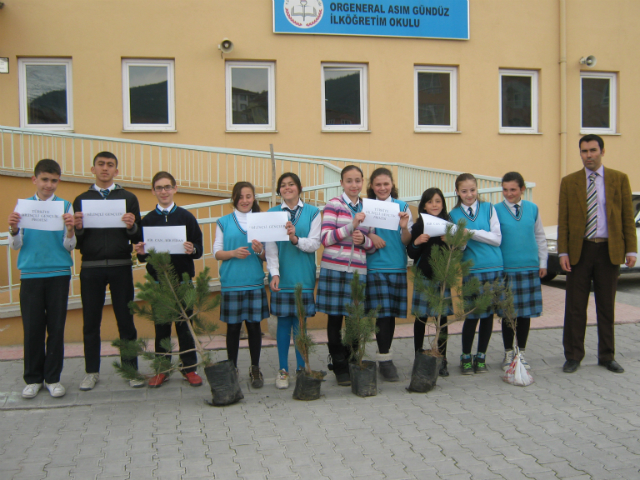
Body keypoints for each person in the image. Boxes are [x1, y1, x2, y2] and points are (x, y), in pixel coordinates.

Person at [558, 134, 637, 374]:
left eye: (593, 150)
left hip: (608, 250)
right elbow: (564, 220)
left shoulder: (619, 179)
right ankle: (573, 355)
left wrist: (631, 249)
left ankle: (607, 355)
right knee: (575, 307)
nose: (588, 155)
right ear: (580, 153)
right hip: (579, 251)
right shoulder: (569, 181)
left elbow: (626, 217)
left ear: (602, 151)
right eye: (584, 151)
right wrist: (563, 251)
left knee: (606, 306)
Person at [73, 151, 143, 390]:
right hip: (91, 268)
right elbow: (79, 242)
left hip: (121, 266)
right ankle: (91, 371)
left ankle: (131, 370)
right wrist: (79, 229)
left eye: (110, 165)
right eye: (101, 164)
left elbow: (138, 235)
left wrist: (132, 227)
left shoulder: (128, 198)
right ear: (93, 169)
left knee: (126, 320)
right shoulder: (81, 199)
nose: (105, 168)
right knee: (91, 322)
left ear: (116, 170)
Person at [8, 159, 75, 399]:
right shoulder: (23, 207)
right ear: (34, 179)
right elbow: (16, 245)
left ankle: (53, 378)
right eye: (45, 179)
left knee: (56, 329)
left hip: (58, 274)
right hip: (31, 275)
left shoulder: (65, 206)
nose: (49, 185)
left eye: (54, 180)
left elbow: (70, 246)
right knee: (33, 329)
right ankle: (33, 379)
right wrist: (14, 230)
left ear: (58, 181)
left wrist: (70, 231)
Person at [133, 171, 204, 388]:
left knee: (185, 327)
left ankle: (189, 368)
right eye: (159, 188)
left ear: (175, 189)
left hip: (183, 284)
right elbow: (143, 255)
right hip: (159, 285)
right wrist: (141, 251)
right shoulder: (148, 220)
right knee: (161, 328)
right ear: (153, 191)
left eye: (167, 187)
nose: (163, 191)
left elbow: (199, 249)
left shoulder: (186, 217)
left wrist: (192, 249)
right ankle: (162, 369)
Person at [316, 165, 376, 386]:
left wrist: (364, 241)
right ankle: (339, 366)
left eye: (358, 180)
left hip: (358, 271)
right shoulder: (334, 205)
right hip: (334, 268)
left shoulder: (368, 207)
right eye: (349, 181)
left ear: (363, 182)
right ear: (341, 183)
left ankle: (352, 360)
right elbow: (326, 238)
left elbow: (371, 244)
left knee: (354, 320)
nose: (354, 185)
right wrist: (352, 226)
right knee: (334, 319)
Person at [265, 173, 321, 389]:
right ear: (279, 190)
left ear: (299, 187)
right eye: (283, 186)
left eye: (291, 185)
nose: (287, 188)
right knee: (283, 323)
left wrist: (295, 239)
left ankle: (301, 367)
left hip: (303, 277)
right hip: (282, 276)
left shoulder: (313, 212)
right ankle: (282, 370)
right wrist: (274, 273)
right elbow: (270, 248)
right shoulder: (272, 214)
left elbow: (315, 244)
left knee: (300, 323)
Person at [214, 181, 268, 388]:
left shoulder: (261, 221)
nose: (244, 200)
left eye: (248, 196)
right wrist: (233, 253)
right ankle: (232, 368)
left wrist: (259, 250)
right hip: (231, 282)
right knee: (233, 329)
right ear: (234, 199)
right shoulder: (224, 222)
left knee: (254, 328)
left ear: (253, 198)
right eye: (240, 197)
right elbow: (216, 252)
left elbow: (266, 256)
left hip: (253, 281)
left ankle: (255, 368)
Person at [449, 173, 503, 375]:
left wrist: (471, 233)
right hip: (472, 271)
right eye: (464, 191)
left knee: (488, 316)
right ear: (457, 192)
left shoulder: (489, 208)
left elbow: (496, 238)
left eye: (472, 190)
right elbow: (458, 247)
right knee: (472, 316)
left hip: (494, 267)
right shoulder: (453, 215)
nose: (469, 194)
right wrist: (463, 240)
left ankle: (481, 356)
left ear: (477, 189)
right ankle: (465, 356)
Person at [495, 172, 548, 370]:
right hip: (507, 268)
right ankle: (509, 352)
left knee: (524, 314)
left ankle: (521, 351)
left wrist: (543, 263)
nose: (509, 194)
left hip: (529, 267)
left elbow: (540, 236)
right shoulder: (496, 210)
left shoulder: (533, 209)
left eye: (513, 189)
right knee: (508, 313)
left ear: (522, 189)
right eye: (505, 190)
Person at [364, 168, 412, 381]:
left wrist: (404, 227)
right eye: (378, 185)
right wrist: (371, 236)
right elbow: (359, 232)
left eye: (386, 184)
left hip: (397, 266)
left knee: (389, 315)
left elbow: (406, 241)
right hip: (374, 267)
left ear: (392, 185)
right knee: (380, 315)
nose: (382, 188)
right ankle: (382, 359)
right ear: (372, 187)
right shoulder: (366, 206)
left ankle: (385, 357)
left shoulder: (402, 207)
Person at [407, 188, 451, 377]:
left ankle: (442, 358)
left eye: (438, 201)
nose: (434, 205)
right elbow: (411, 253)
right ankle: (419, 356)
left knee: (442, 319)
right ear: (423, 205)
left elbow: (456, 252)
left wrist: (451, 242)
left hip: (442, 278)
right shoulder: (418, 226)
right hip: (424, 277)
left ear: (443, 204)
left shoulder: (449, 226)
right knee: (421, 319)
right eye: (430, 202)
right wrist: (416, 242)